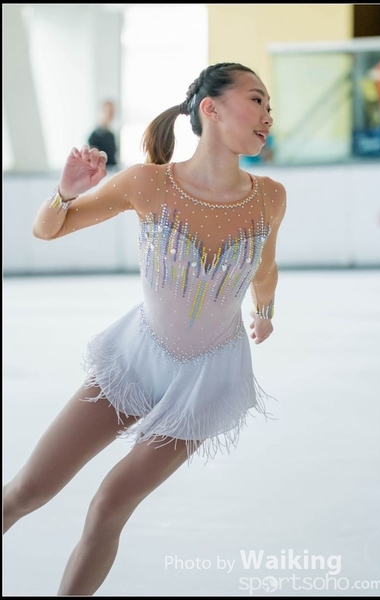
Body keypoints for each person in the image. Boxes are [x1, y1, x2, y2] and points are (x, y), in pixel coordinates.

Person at [3, 62, 286, 596]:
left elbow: (264, 267)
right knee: (29, 490)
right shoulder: (148, 182)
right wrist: (65, 192)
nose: (268, 115)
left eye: (269, 106)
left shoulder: (269, 196)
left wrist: (265, 313)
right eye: (257, 100)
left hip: (207, 382)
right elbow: (48, 231)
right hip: (135, 361)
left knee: (109, 504)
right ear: (211, 108)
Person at [88, 99, 118, 166]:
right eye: (108, 112)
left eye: (112, 112)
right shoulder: (94, 136)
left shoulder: (111, 135)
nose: (110, 115)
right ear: (102, 112)